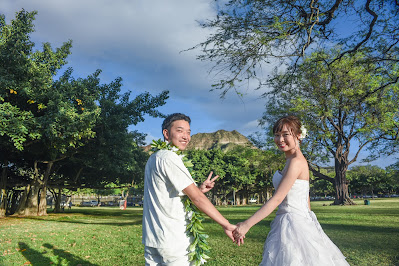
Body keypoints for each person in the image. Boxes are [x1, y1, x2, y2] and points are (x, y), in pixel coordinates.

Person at [233, 116, 349, 266]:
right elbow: (305, 194)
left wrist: (246, 225)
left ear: (299, 135)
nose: (280, 139)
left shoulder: (296, 162)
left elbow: (277, 199)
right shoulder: (291, 160)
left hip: (294, 224)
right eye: (276, 135)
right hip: (294, 222)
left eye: (285, 134)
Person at [142, 113, 236, 265]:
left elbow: (169, 194)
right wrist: (226, 224)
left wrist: (199, 188)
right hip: (172, 240)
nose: (186, 136)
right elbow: (196, 198)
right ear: (166, 133)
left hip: (153, 239)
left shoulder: (154, 157)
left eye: (188, 132)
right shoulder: (169, 157)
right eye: (180, 131)